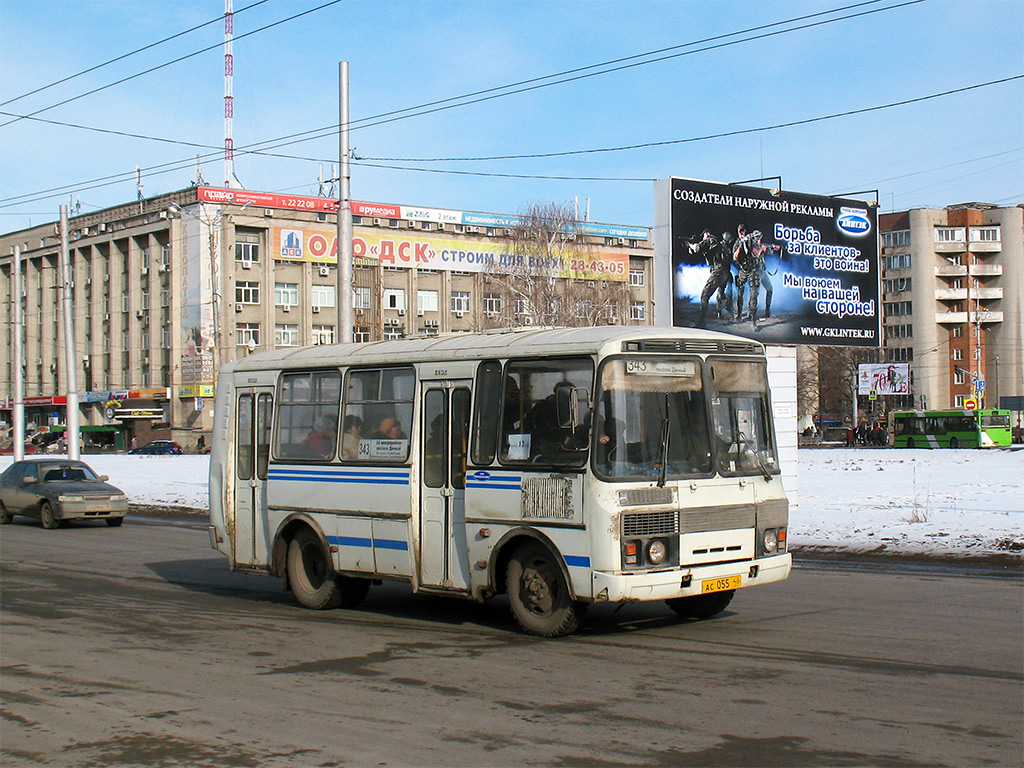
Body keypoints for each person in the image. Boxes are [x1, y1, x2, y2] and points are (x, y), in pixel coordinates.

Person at [690, 229, 735, 327]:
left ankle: (702, 322)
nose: (703, 238)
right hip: (725, 273)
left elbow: (698, 248)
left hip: (718, 272)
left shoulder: (710, 239)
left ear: (707, 234)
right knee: (721, 294)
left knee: (704, 296)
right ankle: (731, 315)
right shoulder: (724, 247)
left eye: (704, 236)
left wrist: (690, 245)